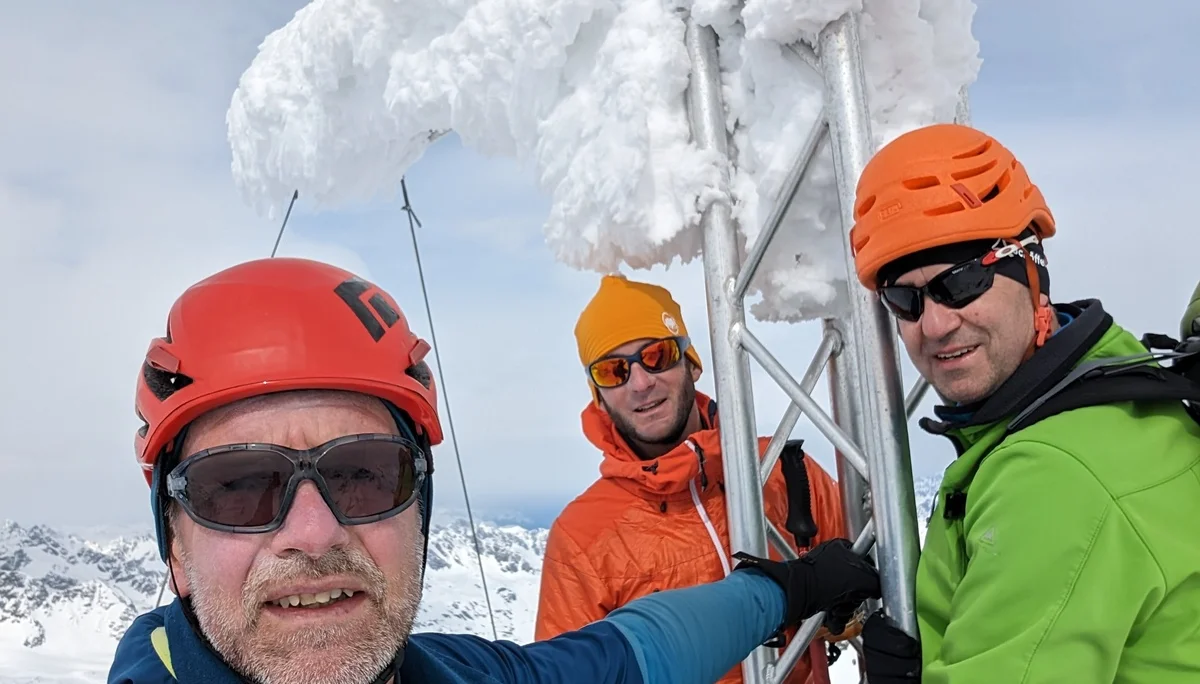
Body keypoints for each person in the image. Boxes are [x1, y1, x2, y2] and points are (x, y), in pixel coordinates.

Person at [106, 257, 881, 684]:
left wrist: (783, 589)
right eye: (238, 488)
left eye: (364, 475)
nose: (313, 531)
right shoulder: (586, 530)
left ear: (420, 505)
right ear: (172, 541)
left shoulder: (461, 677)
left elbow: (636, 651)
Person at [847, 123, 1200, 683]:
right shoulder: (1107, 393)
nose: (934, 324)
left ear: (1031, 269)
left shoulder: (1053, 473)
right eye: (904, 298)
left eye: (959, 282)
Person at [534, 274, 851, 683]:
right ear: (599, 396)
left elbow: (871, 571)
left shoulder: (780, 469)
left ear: (691, 361)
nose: (641, 382)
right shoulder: (581, 538)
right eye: (614, 371)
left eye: (657, 355)